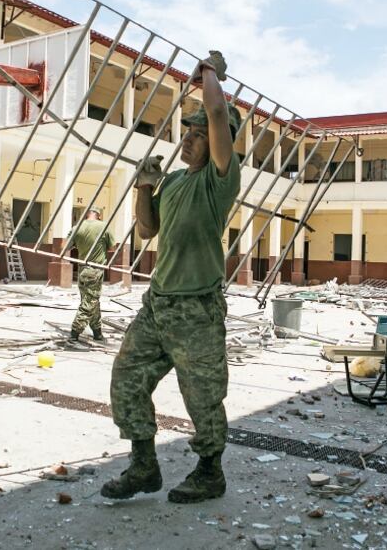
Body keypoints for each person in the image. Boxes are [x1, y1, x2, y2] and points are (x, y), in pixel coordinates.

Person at [101, 51, 241, 505]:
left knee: (201, 396)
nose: (190, 140)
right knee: (126, 378)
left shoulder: (220, 179)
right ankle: (144, 464)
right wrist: (144, 185)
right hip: (158, 304)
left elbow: (218, 110)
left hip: (197, 309)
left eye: (201, 135)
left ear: (218, 142)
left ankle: (209, 471)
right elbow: (146, 229)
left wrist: (211, 74)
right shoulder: (178, 181)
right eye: (188, 132)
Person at [67, 208, 114, 341]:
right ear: (99, 216)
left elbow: (65, 247)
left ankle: (97, 332)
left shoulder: (77, 227)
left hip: (82, 269)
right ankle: (74, 335)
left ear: (87, 214)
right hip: (96, 270)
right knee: (89, 302)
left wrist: (81, 244)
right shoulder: (104, 226)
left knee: (92, 301)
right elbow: (112, 247)